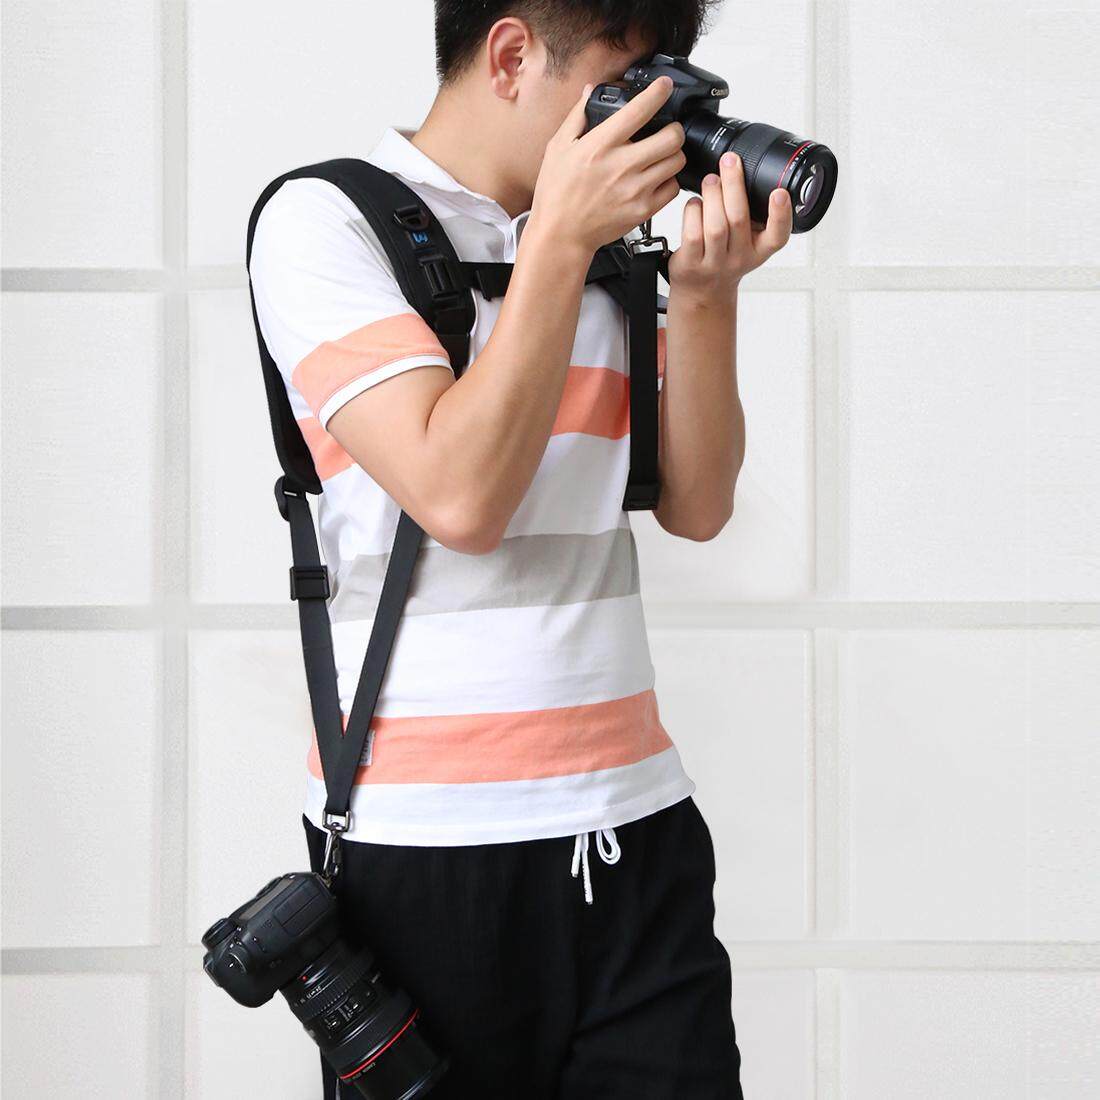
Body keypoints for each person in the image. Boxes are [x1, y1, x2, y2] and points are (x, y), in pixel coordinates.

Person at [248, 2, 792, 1096]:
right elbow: (459, 498)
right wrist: (556, 245)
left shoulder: (594, 248)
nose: (647, 130)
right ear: (510, 56)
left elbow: (696, 505)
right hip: (428, 844)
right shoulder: (327, 222)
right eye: (624, 91)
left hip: (634, 823)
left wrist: (704, 294)